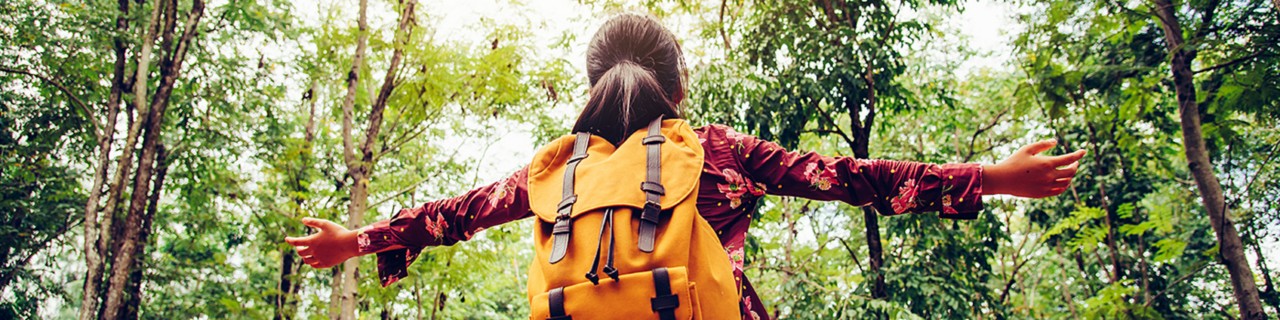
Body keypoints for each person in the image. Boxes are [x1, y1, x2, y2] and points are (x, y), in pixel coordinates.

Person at [285, 13, 1085, 319]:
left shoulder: (556, 173)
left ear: (589, 88)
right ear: (681, 88)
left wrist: (355, 241)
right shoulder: (724, 154)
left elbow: (453, 214)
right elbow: (855, 177)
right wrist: (993, 176)